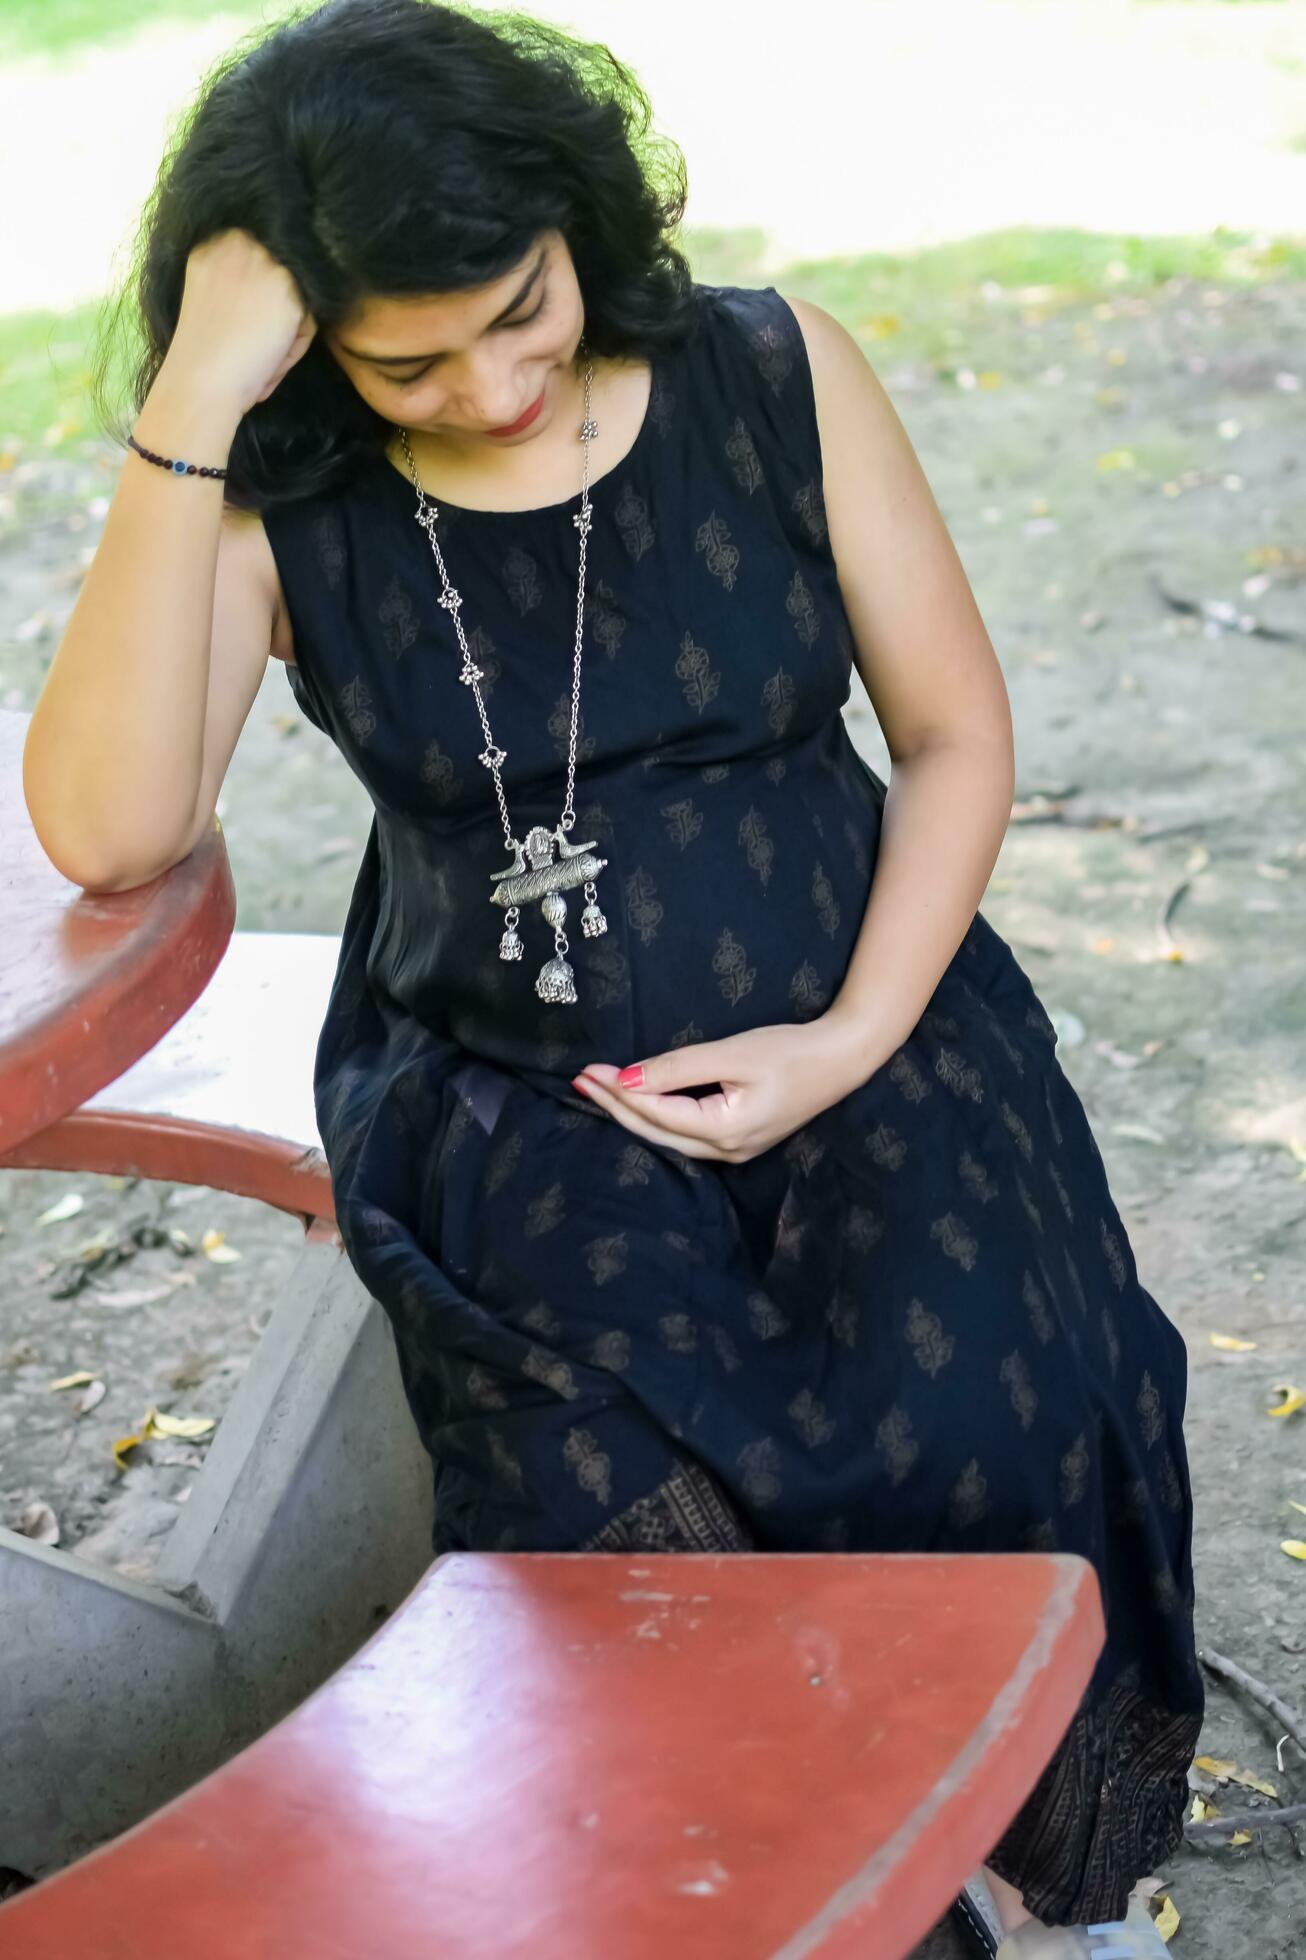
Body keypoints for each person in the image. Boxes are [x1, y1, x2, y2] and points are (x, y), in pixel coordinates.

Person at [26, 1, 1201, 1951]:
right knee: (629, 1518)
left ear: (577, 220)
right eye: (409, 352)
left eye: (523, 308)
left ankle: (1025, 1880)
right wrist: (193, 403)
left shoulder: (764, 370)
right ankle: (830, 1906)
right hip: (514, 1100)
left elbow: (953, 740)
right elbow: (111, 827)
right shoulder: (282, 496)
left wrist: (843, 1041)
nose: (492, 385)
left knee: (993, 1398)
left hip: (867, 1013)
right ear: (306, 330)